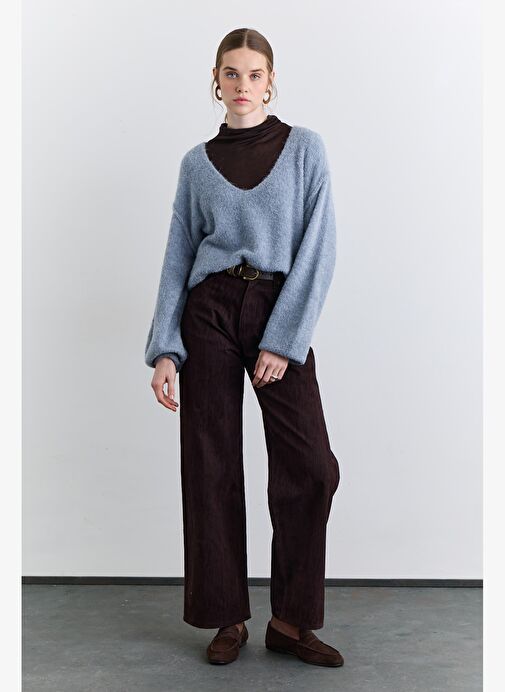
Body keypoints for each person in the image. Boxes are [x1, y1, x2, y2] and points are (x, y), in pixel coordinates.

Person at [145, 27, 343, 668]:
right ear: (216, 80)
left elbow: (318, 250)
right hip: (207, 313)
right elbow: (178, 255)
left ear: (270, 81)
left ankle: (291, 621)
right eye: (231, 74)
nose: (242, 86)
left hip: (277, 308)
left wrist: (283, 340)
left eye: (254, 75)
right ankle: (226, 615)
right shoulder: (196, 164)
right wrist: (166, 347)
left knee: (311, 467)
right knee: (211, 465)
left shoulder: (305, 149)